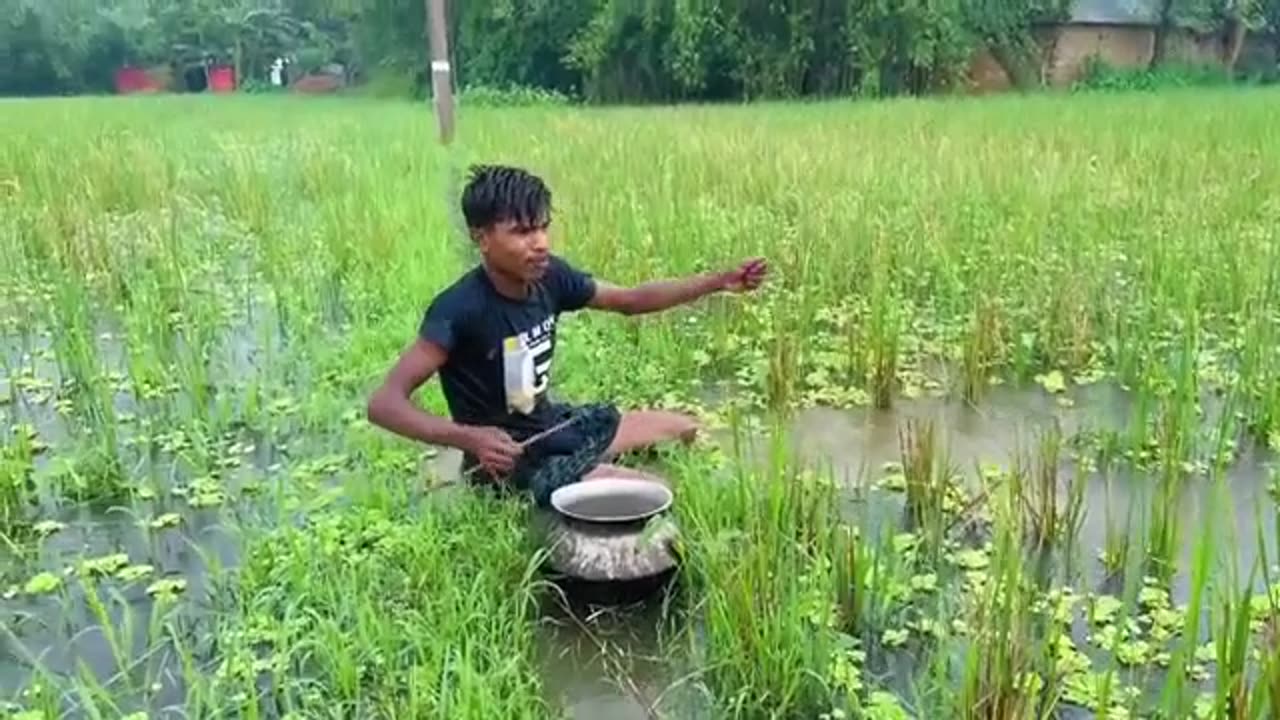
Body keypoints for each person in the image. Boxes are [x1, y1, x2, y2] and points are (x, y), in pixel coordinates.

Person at [366, 164, 767, 506]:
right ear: (481, 237)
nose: (540, 243)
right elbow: (384, 405)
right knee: (658, 494)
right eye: (522, 231)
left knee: (684, 427)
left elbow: (629, 300)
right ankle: (579, 480)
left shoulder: (550, 277)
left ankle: (590, 468)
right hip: (508, 462)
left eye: (543, 227)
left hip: (551, 427)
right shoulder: (458, 310)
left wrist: (718, 281)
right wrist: (468, 438)